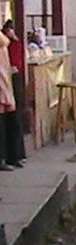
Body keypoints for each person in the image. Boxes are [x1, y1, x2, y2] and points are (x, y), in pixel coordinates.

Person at [1, 21, 25, 168]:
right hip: (5, 82)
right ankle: (9, 157)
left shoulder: (8, 43)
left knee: (11, 121)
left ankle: (11, 156)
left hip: (7, 81)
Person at [0, 26, 17, 171]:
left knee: (7, 123)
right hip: (3, 84)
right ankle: (4, 157)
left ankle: (8, 156)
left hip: (5, 82)